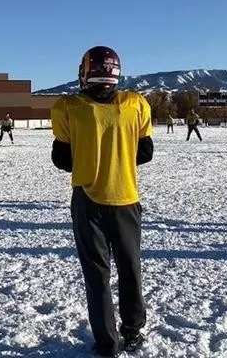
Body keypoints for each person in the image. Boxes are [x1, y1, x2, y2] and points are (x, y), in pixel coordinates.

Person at [51, 46, 152, 357]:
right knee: (130, 267)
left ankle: (107, 344)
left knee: (97, 274)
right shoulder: (136, 103)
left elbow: (62, 159)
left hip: (88, 199)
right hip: (126, 197)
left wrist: (91, 152)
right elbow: (145, 153)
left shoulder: (68, 106)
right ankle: (132, 331)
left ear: (85, 71)